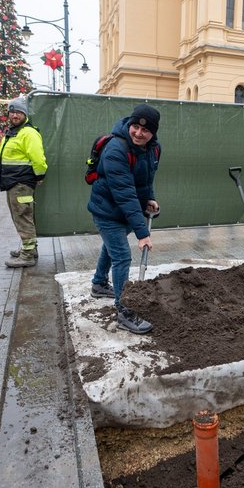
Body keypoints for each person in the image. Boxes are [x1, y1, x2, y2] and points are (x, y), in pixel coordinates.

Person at [88, 104, 161, 335]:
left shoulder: (154, 148)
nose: (139, 133)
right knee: (122, 256)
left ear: (153, 133)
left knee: (112, 247)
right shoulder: (116, 149)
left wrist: (149, 197)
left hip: (126, 211)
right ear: (130, 124)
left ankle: (99, 283)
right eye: (135, 127)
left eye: (145, 130)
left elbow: (146, 178)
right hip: (107, 210)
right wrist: (143, 233)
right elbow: (125, 193)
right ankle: (124, 311)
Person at [0, 98, 47, 268]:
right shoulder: (14, 132)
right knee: (20, 216)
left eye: (18, 112)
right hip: (13, 182)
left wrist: (40, 175)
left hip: (21, 182)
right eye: (12, 112)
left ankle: (28, 255)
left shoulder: (28, 133)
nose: (15, 115)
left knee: (23, 216)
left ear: (25, 114)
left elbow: (38, 158)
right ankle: (30, 249)